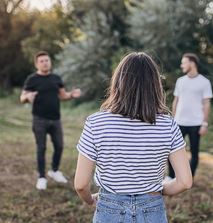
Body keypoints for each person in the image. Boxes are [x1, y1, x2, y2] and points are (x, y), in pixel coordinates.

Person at [74, 52, 192, 223]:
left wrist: (90, 200)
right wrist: (157, 191)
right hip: (153, 209)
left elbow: (80, 184)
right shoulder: (168, 125)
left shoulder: (96, 122)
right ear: (155, 85)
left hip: (109, 207)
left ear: (118, 82)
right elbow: (185, 182)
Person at [20, 51, 81, 190]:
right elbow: (22, 97)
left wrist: (72, 95)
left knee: (59, 146)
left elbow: (62, 95)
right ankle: (41, 177)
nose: (45, 63)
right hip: (39, 120)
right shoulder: (32, 79)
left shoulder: (56, 78)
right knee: (41, 148)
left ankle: (54, 171)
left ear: (50, 62)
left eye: (47, 60)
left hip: (56, 120)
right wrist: (27, 97)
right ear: (37, 64)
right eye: (41, 61)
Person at [167, 53, 213, 179]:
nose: (182, 65)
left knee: (194, 153)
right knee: (172, 151)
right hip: (179, 122)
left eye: (184, 62)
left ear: (192, 63)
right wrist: (173, 120)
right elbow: (176, 101)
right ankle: (171, 177)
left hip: (196, 124)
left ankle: (188, 179)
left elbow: (207, 103)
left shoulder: (204, 82)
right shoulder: (180, 81)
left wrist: (204, 123)